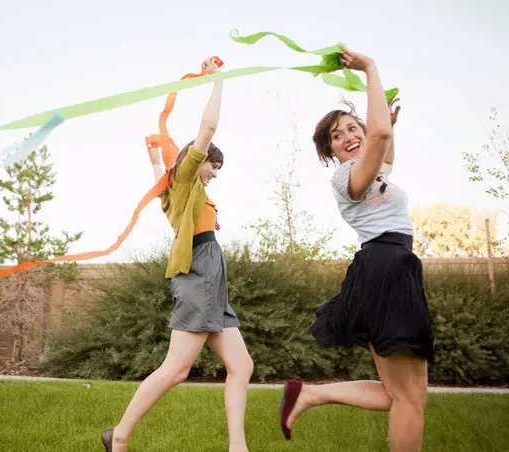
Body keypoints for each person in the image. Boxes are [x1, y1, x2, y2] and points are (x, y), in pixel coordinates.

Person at [278, 45, 434, 452]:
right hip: (385, 265)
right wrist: (370, 69)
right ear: (329, 151)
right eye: (337, 135)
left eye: (352, 128)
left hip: (392, 265)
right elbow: (378, 136)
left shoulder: (371, 166)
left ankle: (310, 394)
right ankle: (310, 395)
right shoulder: (346, 177)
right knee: (407, 398)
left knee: (404, 394)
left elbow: (384, 149)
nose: (347, 137)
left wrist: (388, 127)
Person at [101, 57, 254, 452]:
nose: (215, 174)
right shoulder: (187, 177)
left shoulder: (177, 188)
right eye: (213, 166)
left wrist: (152, 156)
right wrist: (218, 80)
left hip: (212, 279)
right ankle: (118, 436)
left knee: (242, 366)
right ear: (198, 160)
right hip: (199, 273)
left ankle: (238, 447)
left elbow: (159, 176)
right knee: (176, 369)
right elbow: (208, 127)